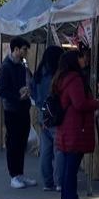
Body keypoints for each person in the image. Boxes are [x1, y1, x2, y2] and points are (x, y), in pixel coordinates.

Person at [53, 49, 99, 199]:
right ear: (75, 60)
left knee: (69, 168)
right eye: (81, 57)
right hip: (75, 128)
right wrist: (96, 103)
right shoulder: (74, 80)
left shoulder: (61, 78)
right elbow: (80, 104)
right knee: (71, 170)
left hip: (67, 128)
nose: (84, 60)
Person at [0, 37, 35, 188]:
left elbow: (24, 85)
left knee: (22, 142)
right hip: (12, 110)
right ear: (16, 49)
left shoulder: (21, 66)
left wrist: (26, 91)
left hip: (23, 108)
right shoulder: (6, 67)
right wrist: (18, 95)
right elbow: (2, 90)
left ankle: (20, 173)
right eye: (24, 50)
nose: (26, 53)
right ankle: (13, 175)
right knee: (13, 143)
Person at [32, 46, 64, 191]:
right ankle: (59, 182)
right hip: (55, 115)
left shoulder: (38, 74)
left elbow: (33, 94)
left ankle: (47, 182)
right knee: (59, 150)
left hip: (41, 114)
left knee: (45, 150)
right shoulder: (56, 75)